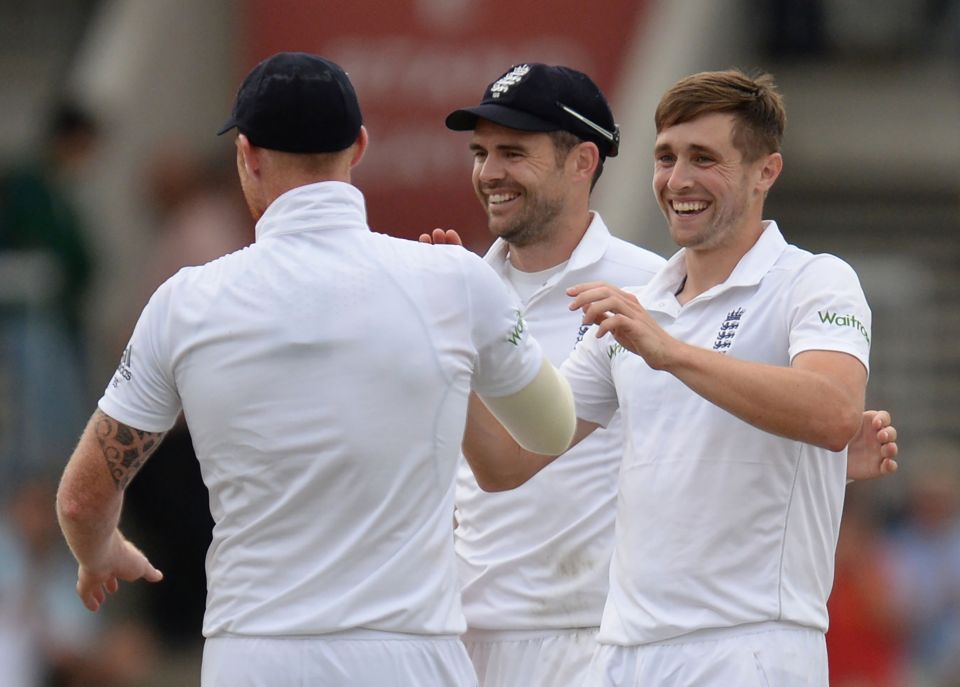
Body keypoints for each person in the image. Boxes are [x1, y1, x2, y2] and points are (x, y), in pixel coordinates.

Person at [54, 51, 579, 687]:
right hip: (411, 657)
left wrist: (101, 549)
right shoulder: (453, 282)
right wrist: (450, 359)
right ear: (359, 146)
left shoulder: (184, 302)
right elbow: (551, 429)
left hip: (254, 656)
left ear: (246, 154)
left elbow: (83, 498)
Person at [428, 64, 899, 686]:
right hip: (625, 652)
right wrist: (450, 344)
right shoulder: (639, 306)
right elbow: (510, 461)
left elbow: (835, 412)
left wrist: (667, 349)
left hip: (749, 645)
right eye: (665, 157)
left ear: (766, 172)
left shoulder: (815, 279)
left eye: (704, 158)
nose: (678, 180)